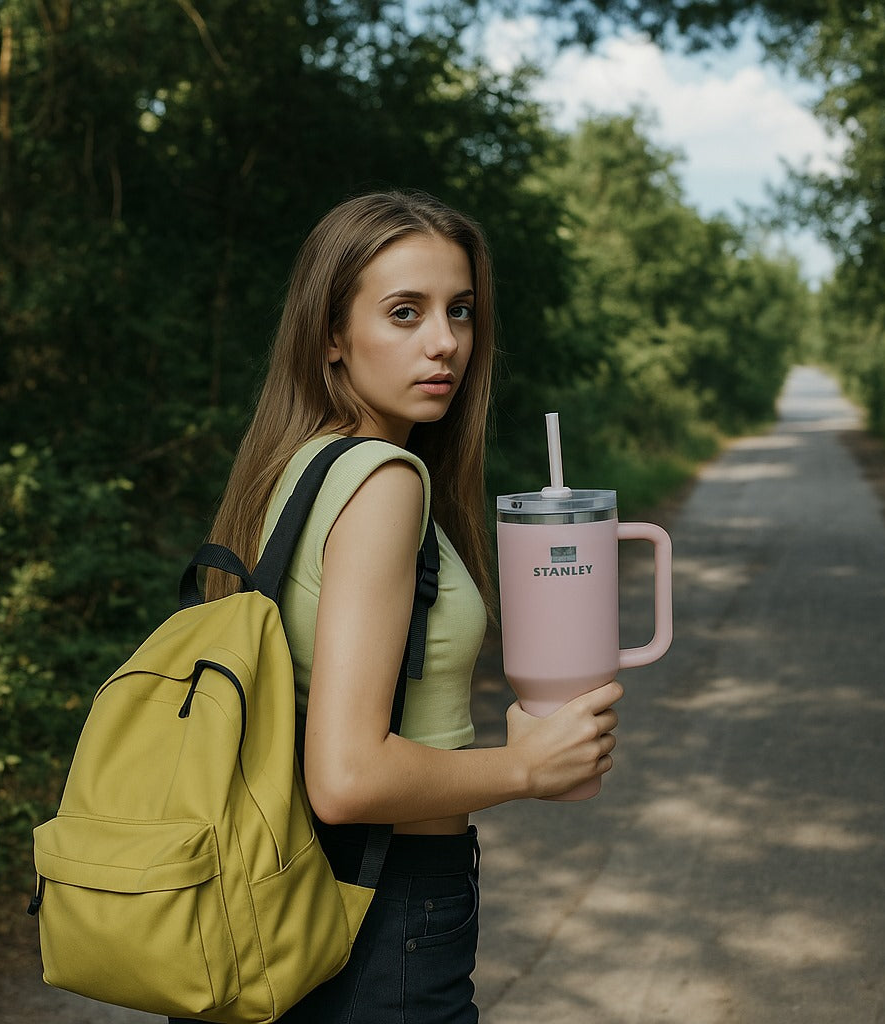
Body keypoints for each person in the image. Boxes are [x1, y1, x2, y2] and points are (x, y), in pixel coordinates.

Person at [171, 190, 622, 1024]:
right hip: (380, 910)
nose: (444, 341)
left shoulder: (292, 469)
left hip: (259, 896)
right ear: (331, 336)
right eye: (405, 313)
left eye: (460, 311)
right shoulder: (383, 483)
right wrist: (527, 767)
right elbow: (346, 776)